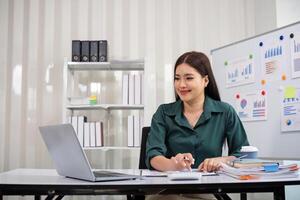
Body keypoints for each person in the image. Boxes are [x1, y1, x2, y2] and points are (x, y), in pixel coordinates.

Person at [145, 51, 249, 200]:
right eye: (177, 78)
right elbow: (153, 156)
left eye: (189, 78)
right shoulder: (163, 113)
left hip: (208, 189)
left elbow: (243, 155)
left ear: (205, 81)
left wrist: (221, 160)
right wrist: (174, 165)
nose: (181, 85)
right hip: (168, 189)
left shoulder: (225, 112)